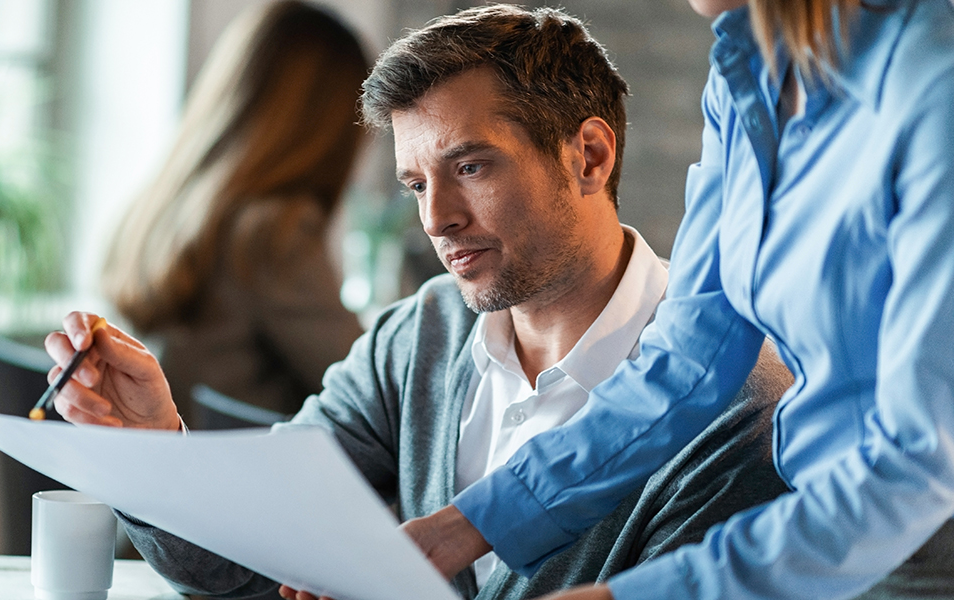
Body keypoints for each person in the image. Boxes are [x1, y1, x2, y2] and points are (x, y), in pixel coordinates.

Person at [47, 6, 795, 599]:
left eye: (469, 166)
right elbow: (244, 565)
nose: (435, 217)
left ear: (589, 156)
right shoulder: (419, 336)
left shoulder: (738, 414)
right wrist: (154, 450)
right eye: (415, 184)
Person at [394, 1, 954, 599]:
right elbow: (690, 358)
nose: (435, 220)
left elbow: (922, 464)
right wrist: (468, 524)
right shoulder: (748, 74)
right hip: (825, 548)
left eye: (472, 166)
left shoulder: (934, 77)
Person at [100, 0, 365, 425]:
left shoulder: (166, 205)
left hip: (166, 464)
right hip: (236, 478)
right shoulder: (274, 230)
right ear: (327, 127)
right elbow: (372, 387)